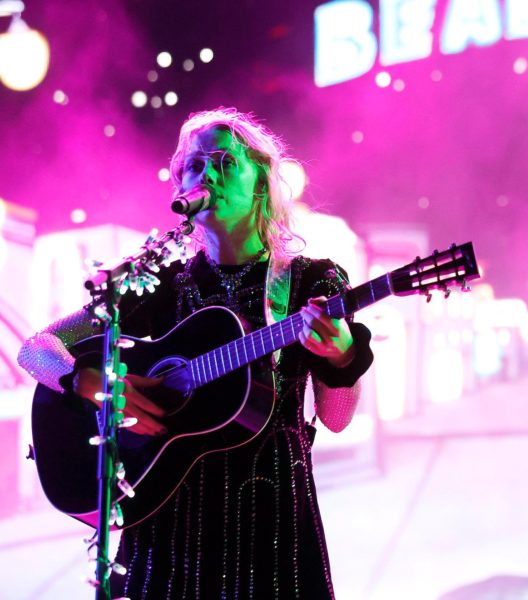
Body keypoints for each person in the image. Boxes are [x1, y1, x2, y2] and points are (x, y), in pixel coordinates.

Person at [17, 108, 374, 598]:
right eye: (194, 164)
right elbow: (36, 349)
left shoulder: (310, 281)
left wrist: (341, 358)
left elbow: (336, 416)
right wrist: (84, 380)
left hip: (269, 529)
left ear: (262, 184)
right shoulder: (154, 283)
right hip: (165, 521)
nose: (206, 173)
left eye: (225, 161)